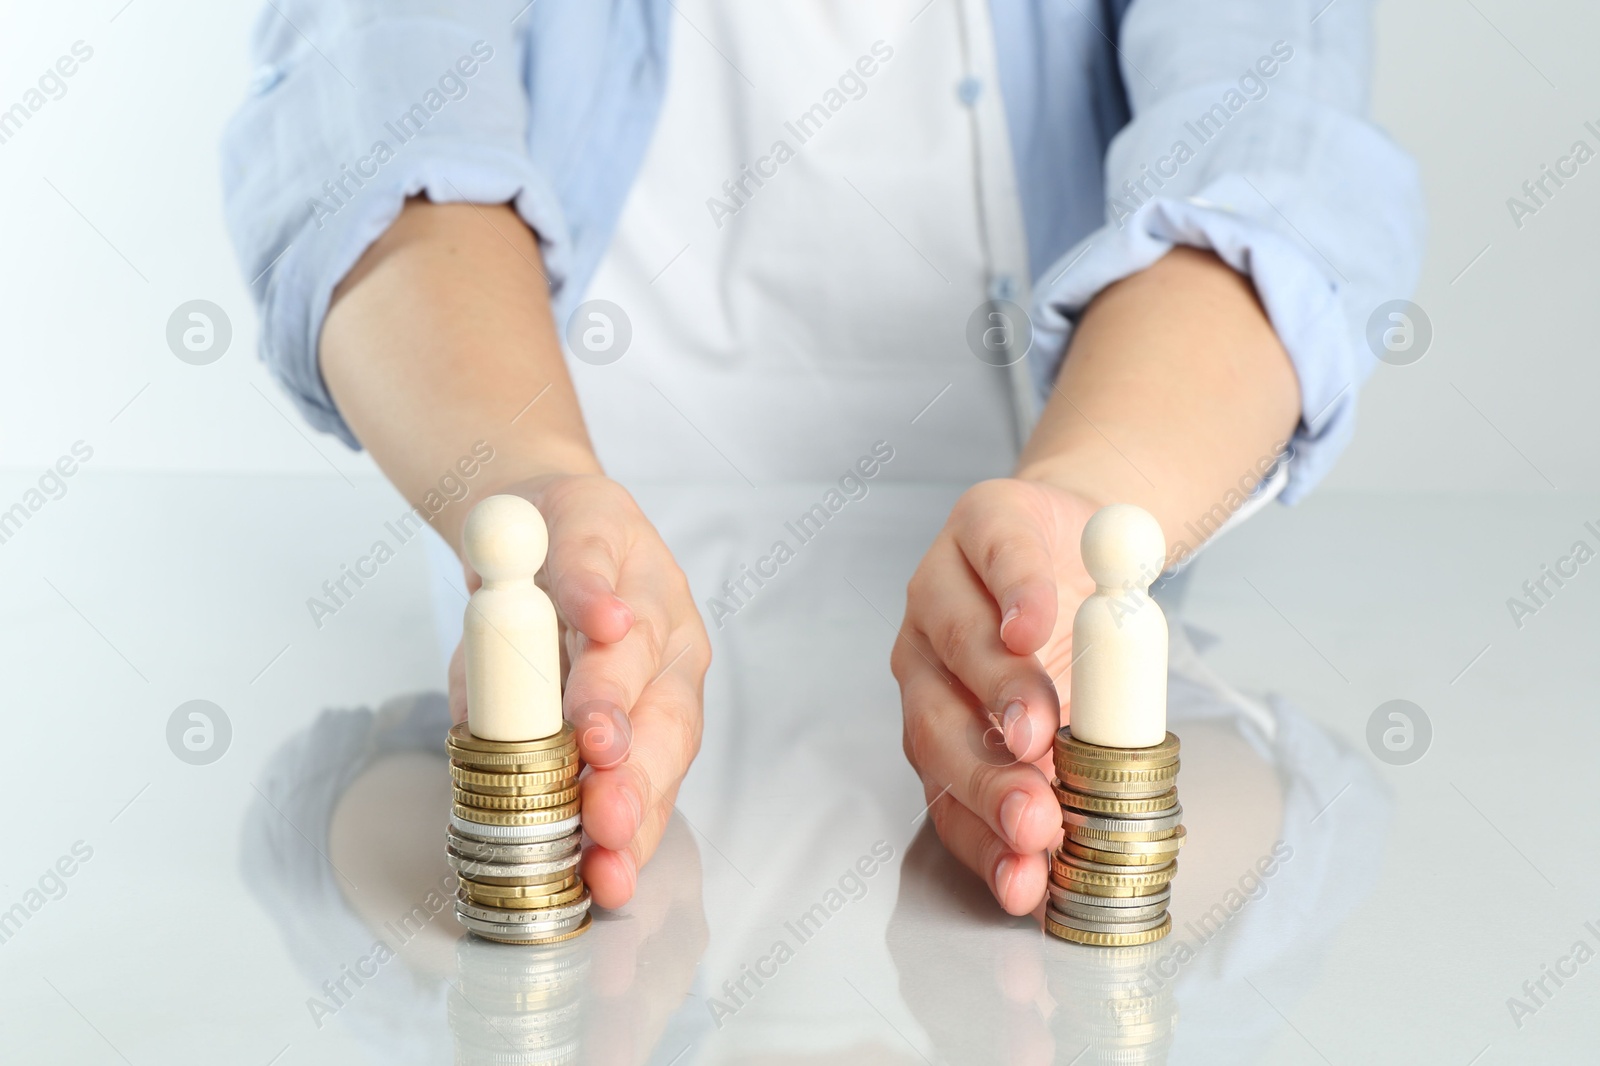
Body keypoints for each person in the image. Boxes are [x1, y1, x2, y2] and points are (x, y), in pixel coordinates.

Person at [221, 0, 1422, 914]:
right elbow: (372, 121)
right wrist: (529, 483)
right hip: (592, 629)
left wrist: (1081, 503)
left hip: (1038, 647)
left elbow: (1274, 160)